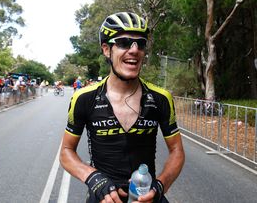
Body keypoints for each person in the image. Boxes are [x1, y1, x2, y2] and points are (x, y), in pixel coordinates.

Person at [60, 12, 185, 203]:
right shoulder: (84, 98)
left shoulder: (161, 98)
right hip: (103, 197)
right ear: (106, 49)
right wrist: (93, 178)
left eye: (140, 44)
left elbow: (177, 150)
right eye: (124, 43)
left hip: (147, 196)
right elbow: (66, 151)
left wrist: (160, 185)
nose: (134, 50)